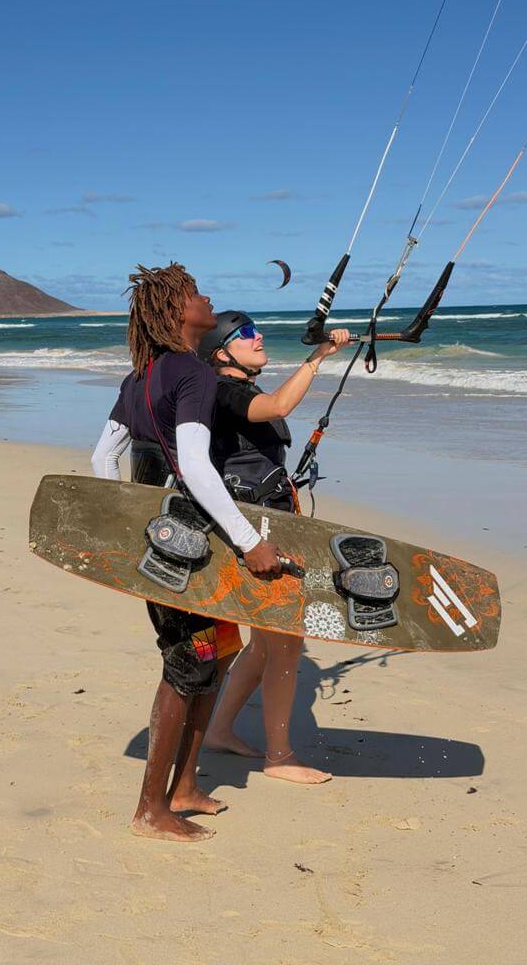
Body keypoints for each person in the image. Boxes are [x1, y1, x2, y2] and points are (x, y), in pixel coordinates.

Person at [91, 264, 282, 842]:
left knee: (215, 654)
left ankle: (184, 787)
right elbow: (196, 466)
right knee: (189, 664)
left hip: (160, 544)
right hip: (191, 550)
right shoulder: (193, 375)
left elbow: (103, 460)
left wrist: (131, 530)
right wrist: (250, 543)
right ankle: (152, 808)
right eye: (198, 294)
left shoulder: (139, 377)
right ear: (179, 312)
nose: (208, 299)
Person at [198, 310, 351, 783]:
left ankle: (220, 730)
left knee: (267, 644)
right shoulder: (223, 391)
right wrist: (318, 358)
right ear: (223, 352)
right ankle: (279, 758)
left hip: (269, 520)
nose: (257, 336)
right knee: (286, 641)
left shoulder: (235, 388)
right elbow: (278, 407)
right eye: (245, 333)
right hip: (251, 532)